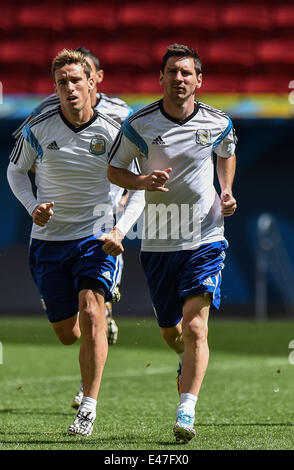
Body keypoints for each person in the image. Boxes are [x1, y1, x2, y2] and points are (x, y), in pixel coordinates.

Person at [7, 49, 145, 437]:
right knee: (68, 334)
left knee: (90, 309)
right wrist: (34, 206)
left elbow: (137, 189)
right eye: (61, 82)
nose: (69, 88)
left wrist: (120, 230)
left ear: (92, 82)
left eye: (75, 80)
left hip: (96, 236)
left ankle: (88, 404)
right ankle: (100, 323)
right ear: (55, 88)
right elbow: (16, 170)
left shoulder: (116, 127)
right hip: (49, 241)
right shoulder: (39, 126)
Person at [108, 44, 237, 444]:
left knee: (197, 328)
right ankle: (183, 360)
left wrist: (227, 190)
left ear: (199, 80)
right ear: (160, 79)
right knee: (172, 332)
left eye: (186, 72)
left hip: (205, 236)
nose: (179, 79)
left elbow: (226, 153)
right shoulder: (139, 124)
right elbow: (114, 170)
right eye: (172, 72)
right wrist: (141, 182)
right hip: (159, 240)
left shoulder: (218, 122)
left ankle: (186, 409)